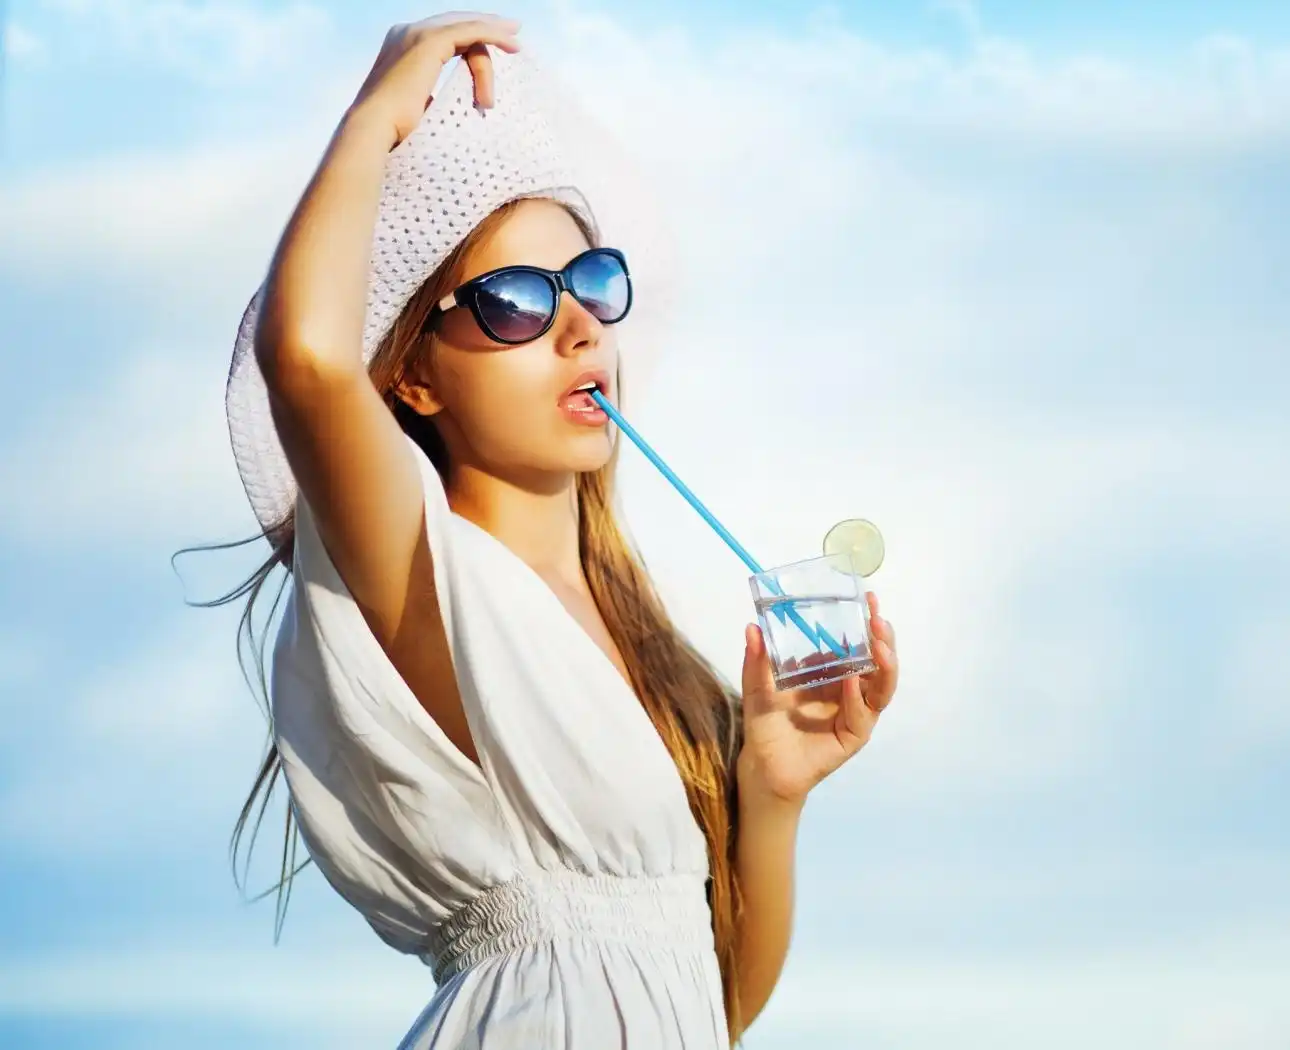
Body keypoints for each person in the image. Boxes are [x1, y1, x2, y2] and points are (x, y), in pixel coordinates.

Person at [207, 13, 900, 1048]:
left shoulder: (647, 637)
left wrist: (773, 791)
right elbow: (306, 358)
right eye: (516, 301)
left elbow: (714, 1010)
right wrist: (376, 117)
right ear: (411, 375)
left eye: (589, 284)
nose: (576, 324)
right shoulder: (427, 572)